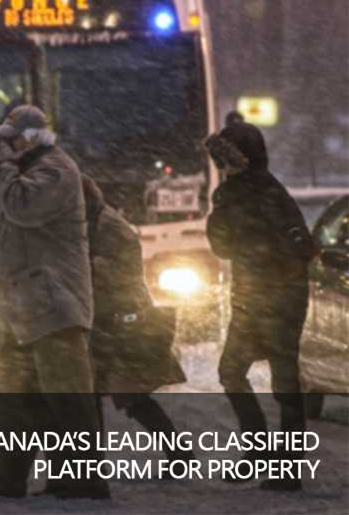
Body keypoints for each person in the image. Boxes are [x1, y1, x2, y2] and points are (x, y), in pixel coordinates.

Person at [0, 104, 109, 501]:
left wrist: (3, 172)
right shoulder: (31, 172)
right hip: (27, 305)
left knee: (67, 399)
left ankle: (85, 480)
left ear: (31, 137)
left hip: (55, 304)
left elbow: (24, 209)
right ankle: (11, 476)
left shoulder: (55, 171)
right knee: (20, 401)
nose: (5, 146)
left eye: (11, 139)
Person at [205, 121, 315, 491]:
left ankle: (276, 463)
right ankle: (270, 459)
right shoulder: (257, 191)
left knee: (271, 379)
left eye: (228, 158)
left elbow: (228, 245)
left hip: (272, 298)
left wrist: (223, 210)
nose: (224, 166)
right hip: (268, 297)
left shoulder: (256, 192)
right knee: (250, 374)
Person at [81, 175, 191, 467]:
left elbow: (116, 272)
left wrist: (90, 266)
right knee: (111, 394)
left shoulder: (106, 227)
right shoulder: (102, 222)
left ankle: (177, 454)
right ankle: (176, 454)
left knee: (127, 395)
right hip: (110, 318)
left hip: (117, 320)